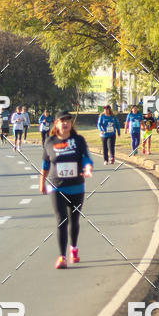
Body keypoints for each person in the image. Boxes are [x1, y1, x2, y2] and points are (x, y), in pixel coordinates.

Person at [40, 111, 93, 269]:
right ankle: (62, 257)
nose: (65, 123)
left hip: (76, 186)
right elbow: (45, 164)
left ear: (71, 124)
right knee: (62, 220)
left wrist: (88, 168)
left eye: (68, 121)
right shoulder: (50, 141)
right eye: (61, 121)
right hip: (56, 186)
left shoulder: (78, 140)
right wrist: (42, 182)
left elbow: (86, 157)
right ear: (56, 124)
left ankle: (73, 248)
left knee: (74, 220)